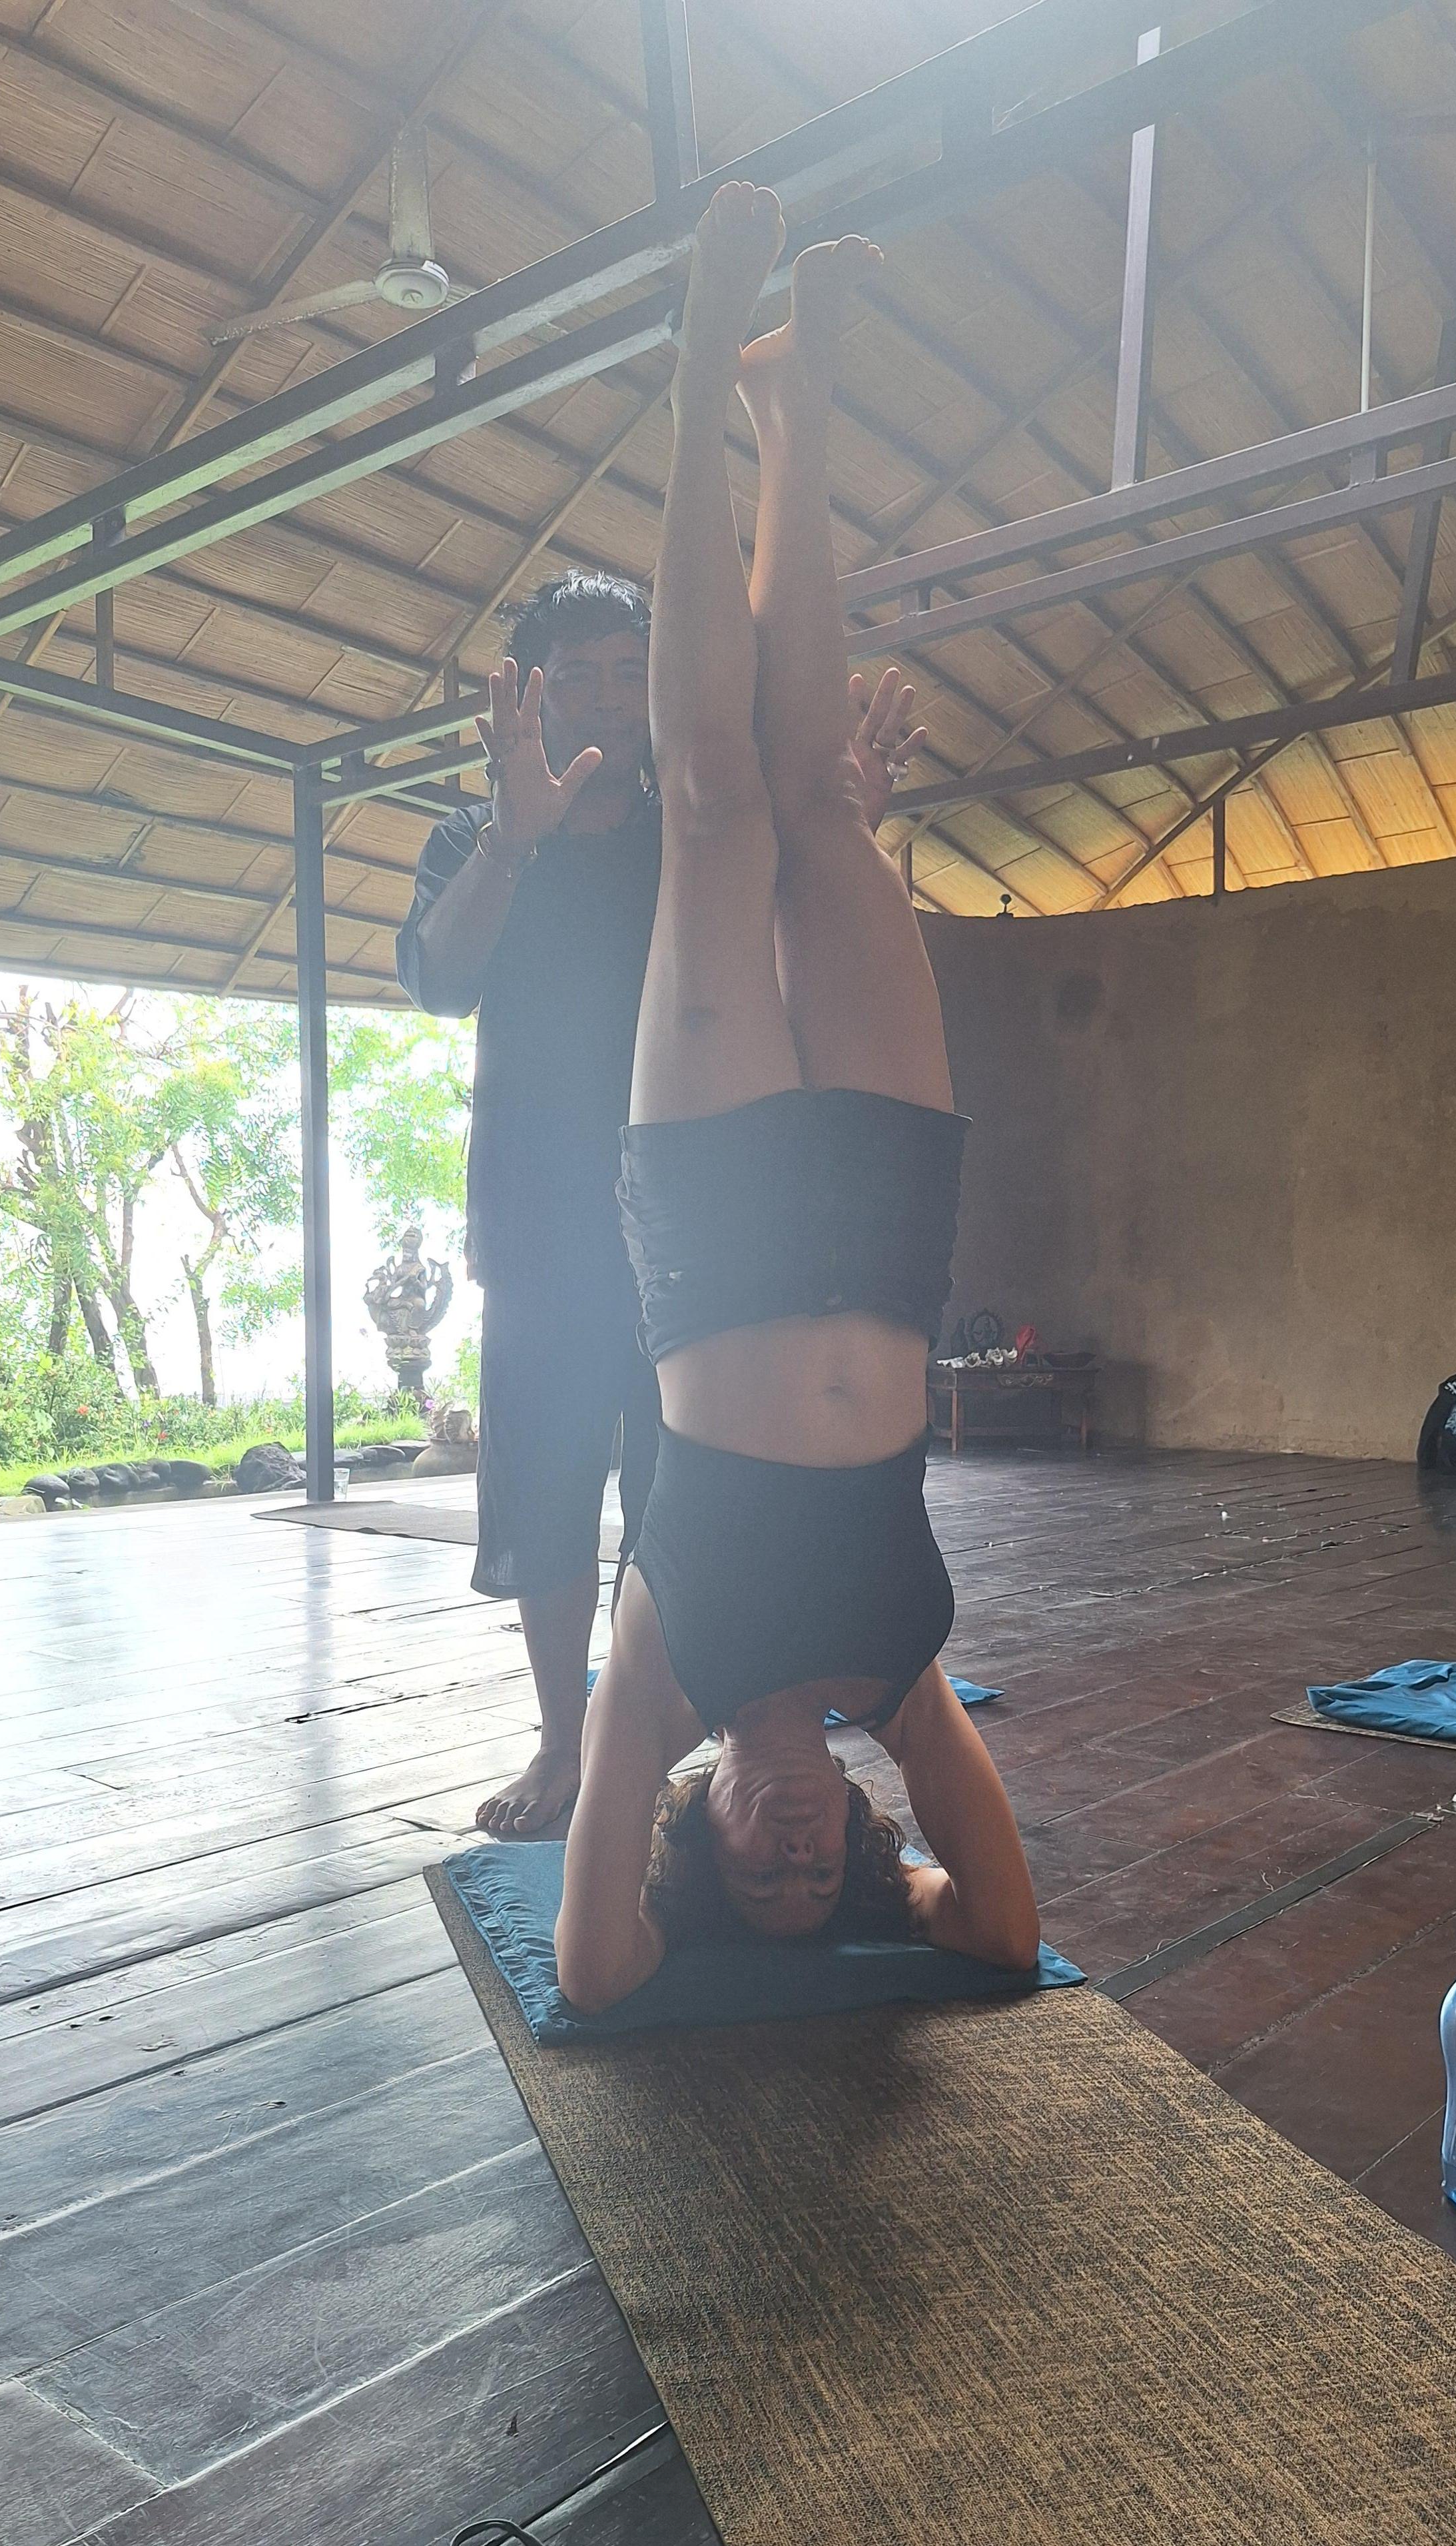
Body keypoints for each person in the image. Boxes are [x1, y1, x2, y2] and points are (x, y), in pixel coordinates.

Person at [552, 182, 1040, 2015]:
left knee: (712, 803)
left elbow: (598, 1975)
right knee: (825, 809)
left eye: (755, 1876)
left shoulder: (661, 1680)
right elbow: (1000, 1934)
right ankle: (796, 404)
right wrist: (902, 1873)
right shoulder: (893, 1685)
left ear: (698, 1839)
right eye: (819, 1874)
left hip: (715, 1240)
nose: (795, 1857)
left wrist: (634, 1800)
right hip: (887, 1237)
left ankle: (698, 378)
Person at [400, 572, 928, 1842]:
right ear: (531, 697)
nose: (604, 698)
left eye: (625, 672)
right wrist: (513, 839)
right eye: (574, 675)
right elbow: (439, 980)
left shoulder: (698, 836)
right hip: (540, 1219)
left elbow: (809, 957)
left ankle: (678, 1722)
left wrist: (844, 834)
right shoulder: (479, 838)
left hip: (698, 1219)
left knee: (691, 1485)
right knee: (546, 1487)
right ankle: (565, 1744)